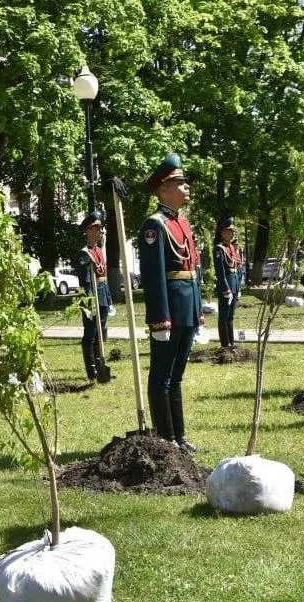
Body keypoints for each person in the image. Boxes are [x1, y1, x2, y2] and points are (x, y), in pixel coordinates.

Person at [137, 153, 203, 452]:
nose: (186, 187)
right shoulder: (155, 225)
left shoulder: (183, 224)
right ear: (163, 189)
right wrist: (159, 318)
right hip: (169, 311)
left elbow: (193, 272)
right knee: (162, 374)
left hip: (187, 308)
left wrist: (198, 311)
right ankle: (165, 438)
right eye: (179, 183)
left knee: (176, 376)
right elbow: (153, 277)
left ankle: (179, 436)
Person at [73, 210, 110, 380]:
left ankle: (100, 364)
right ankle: (92, 370)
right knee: (90, 333)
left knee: (100, 332)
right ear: (87, 231)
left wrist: (108, 298)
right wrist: (90, 302)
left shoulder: (99, 251)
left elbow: (104, 276)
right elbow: (86, 281)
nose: (100, 231)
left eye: (100, 228)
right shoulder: (84, 254)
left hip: (102, 294)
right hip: (90, 297)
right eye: (96, 228)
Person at [213, 216, 241, 349]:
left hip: (234, 284)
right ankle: (225, 344)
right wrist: (226, 289)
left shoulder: (231, 248)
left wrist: (237, 288)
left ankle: (232, 342)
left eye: (232, 231)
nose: (232, 233)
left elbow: (236, 268)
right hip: (227, 286)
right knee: (223, 316)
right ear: (223, 232)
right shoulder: (219, 249)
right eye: (230, 231)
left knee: (231, 316)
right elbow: (220, 272)